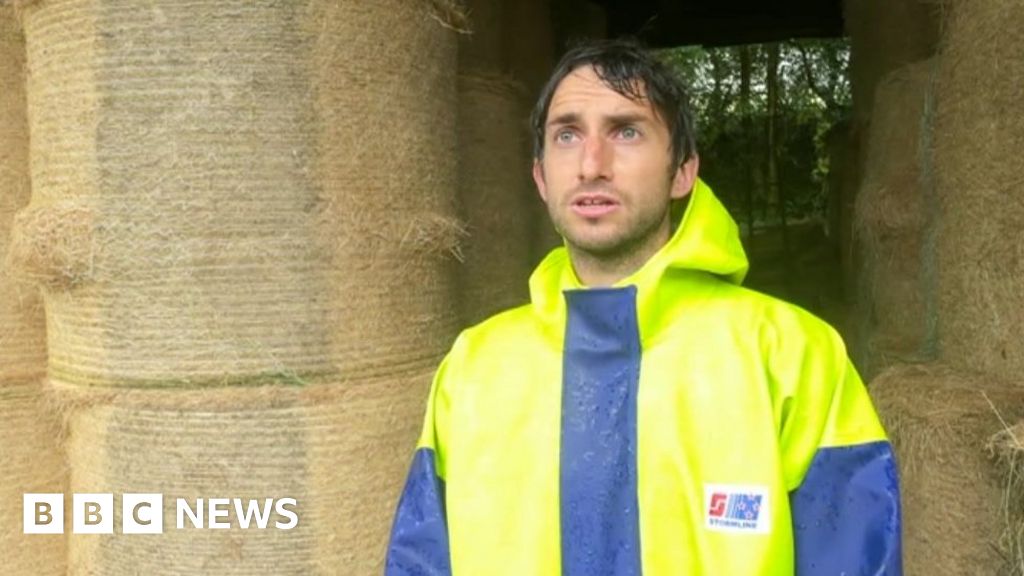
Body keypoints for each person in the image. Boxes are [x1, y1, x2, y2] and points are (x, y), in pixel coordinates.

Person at [384, 39, 902, 576]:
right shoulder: (473, 367)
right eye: (567, 135)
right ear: (540, 177)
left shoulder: (792, 354)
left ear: (683, 172)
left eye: (626, 131)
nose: (591, 164)